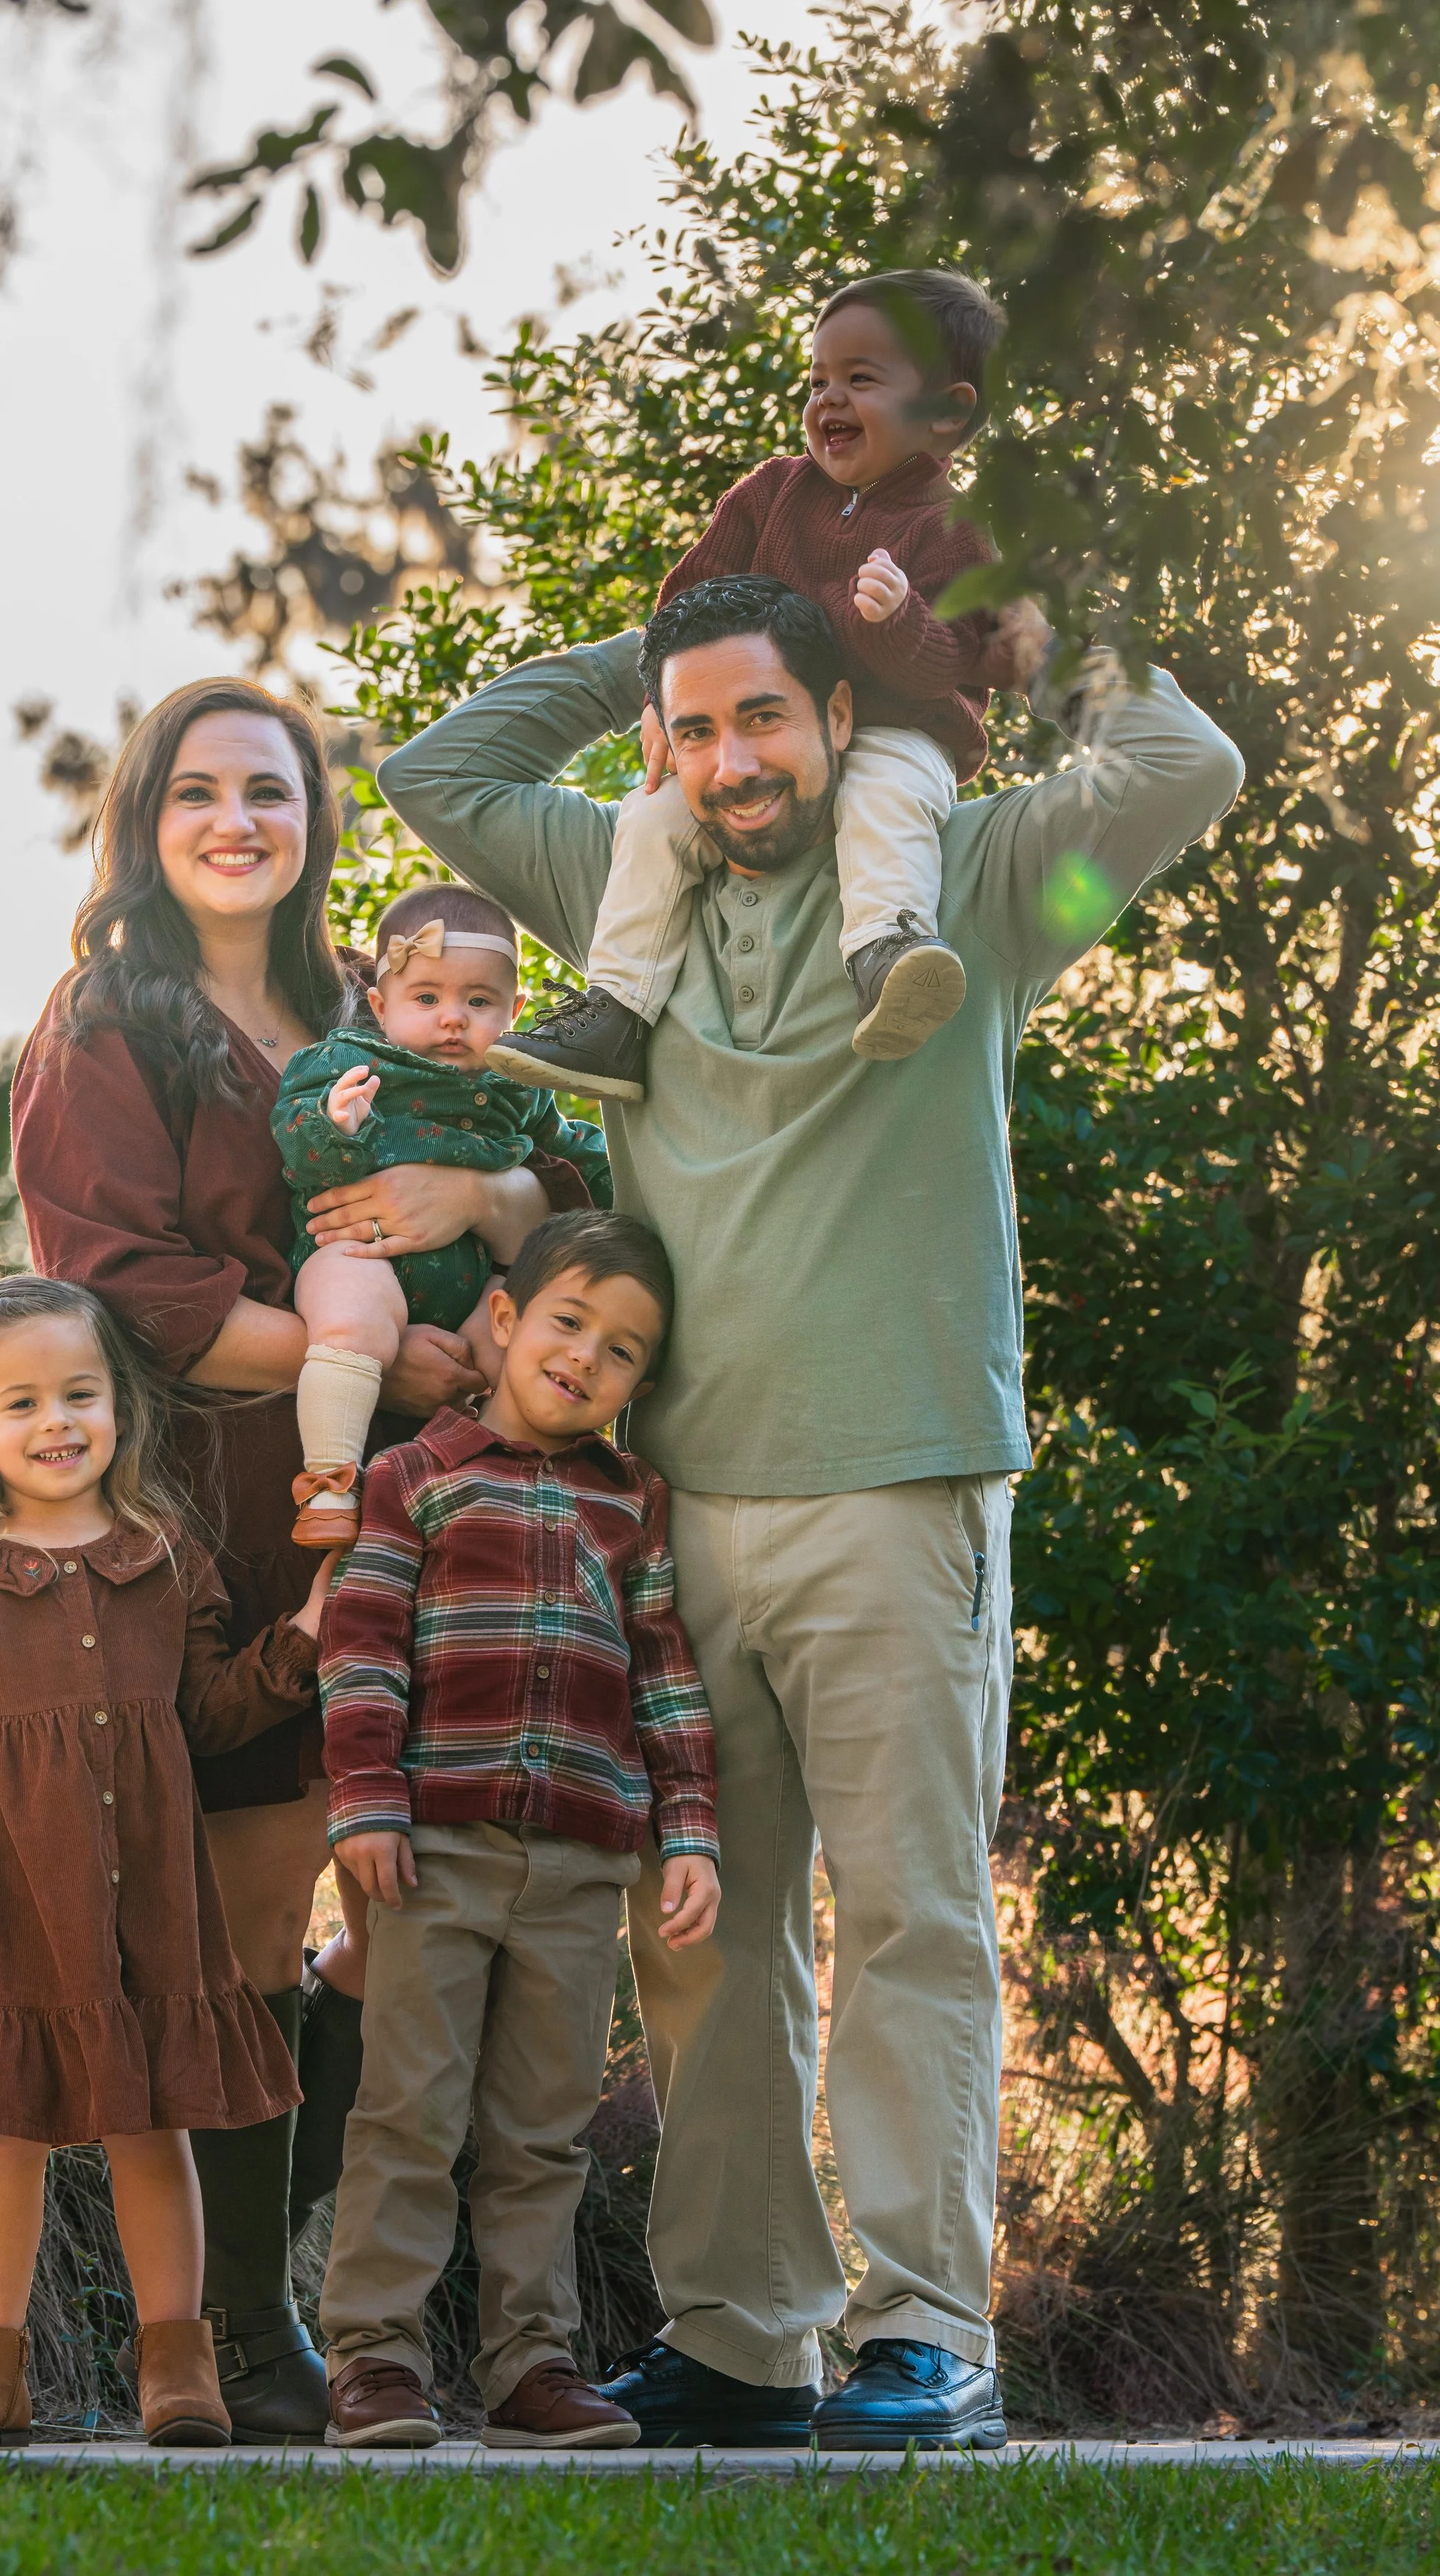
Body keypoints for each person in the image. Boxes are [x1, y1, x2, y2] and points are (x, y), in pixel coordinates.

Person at [375, 576, 1243, 2448]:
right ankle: (745, 2340)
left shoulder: (980, 891)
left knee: (911, 1919)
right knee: (703, 1940)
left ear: (839, 719)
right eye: (689, 733)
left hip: (896, 1483)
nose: (721, 761)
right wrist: (663, 646)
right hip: (678, 1513)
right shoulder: (630, 888)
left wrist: (1007, 629)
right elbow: (444, 765)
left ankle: (926, 2335)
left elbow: (1187, 761)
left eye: (761, 717)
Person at [10, 676, 593, 2437]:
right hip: (234, 1508)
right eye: (197, 792)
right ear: (147, 818)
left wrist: (481, 1223)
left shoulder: (385, 1003)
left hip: (447, 1506)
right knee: (265, 1911)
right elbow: (114, 1282)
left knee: (408, 1919)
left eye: (267, 790)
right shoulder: (106, 1027)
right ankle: (246, 2336)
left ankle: (390, 2325)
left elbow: (547, 1169)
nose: (235, 820)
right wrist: (363, 1356)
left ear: (314, 820)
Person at [0, 1275, 333, 2449]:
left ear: (119, 1402)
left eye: (81, 1393)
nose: (57, 1422)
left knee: (153, 2125)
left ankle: (179, 2364)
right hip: (12, 1900)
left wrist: (310, 1638)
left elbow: (210, 1713)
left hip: (151, 1903)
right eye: (22, 1403)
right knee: (4, 2130)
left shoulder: (165, 1557)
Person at [317, 1209, 720, 2449]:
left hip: (582, 1863)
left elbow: (663, 1673)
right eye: (568, 1321)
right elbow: (363, 1652)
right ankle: (376, 2360)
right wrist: (369, 1807)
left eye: (625, 1352)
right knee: (409, 2113)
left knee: (543, 2130)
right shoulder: (414, 1480)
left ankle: (530, 2367)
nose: (587, 1357)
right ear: (502, 1320)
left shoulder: (632, 1503)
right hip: (433, 1850)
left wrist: (689, 1830)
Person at [490, 269, 1037, 1100]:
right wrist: (659, 702)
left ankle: (886, 951)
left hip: (900, 730)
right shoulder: (771, 493)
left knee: (884, 801)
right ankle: (617, 1008)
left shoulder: (952, 531)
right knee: (651, 816)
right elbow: (691, 601)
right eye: (817, 379)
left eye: (860, 379)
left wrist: (896, 621)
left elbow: (956, 659)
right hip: (769, 742)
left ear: (947, 413)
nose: (828, 400)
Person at [271, 881, 613, 1549]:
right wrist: (334, 1125)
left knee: (516, 1350)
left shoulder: (517, 1083)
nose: (452, 1018)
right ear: (380, 1003)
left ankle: (510, 1496)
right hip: (362, 1253)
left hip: (477, 1278)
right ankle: (330, 1483)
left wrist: (635, 1169)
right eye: (426, 998)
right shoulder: (347, 1062)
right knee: (349, 1322)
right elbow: (297, 1145)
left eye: (478, 1002)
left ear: (513, 1011)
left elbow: (574, 1158)